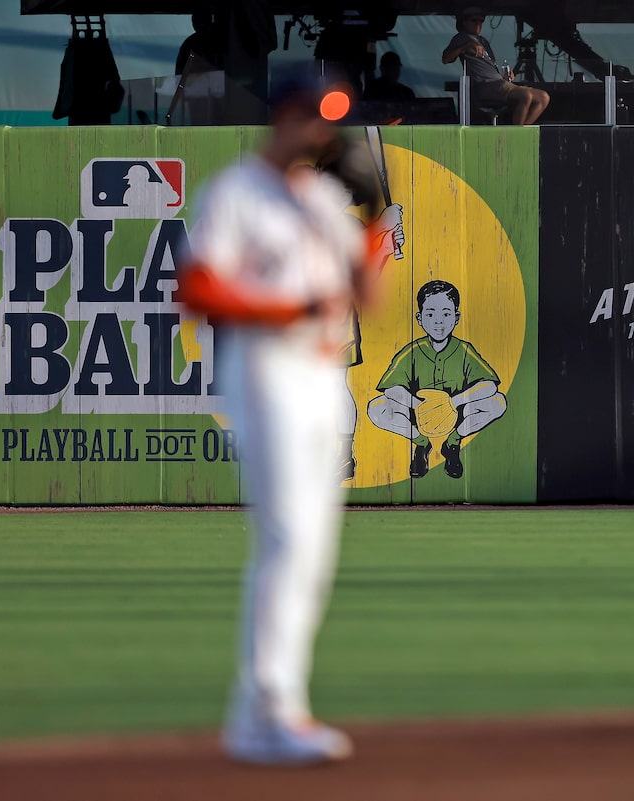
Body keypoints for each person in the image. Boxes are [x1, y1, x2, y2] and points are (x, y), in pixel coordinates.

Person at [175, 70, 404, 765]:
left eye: (330, 117)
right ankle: (274, 708)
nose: (321, 128)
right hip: (265, 368)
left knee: (314, 548)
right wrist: (289, 310)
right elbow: (197, 287)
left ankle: (265, 713)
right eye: (311, 114)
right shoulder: (238, 192)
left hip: (320, 372)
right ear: (282, 117)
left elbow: (365, 297)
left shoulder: (323, 200)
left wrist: (369, 225)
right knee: (286, 537)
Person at [367, 280, 506, 480]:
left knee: (498, 402)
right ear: (420, 318)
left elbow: (489, 385)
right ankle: (422, 444)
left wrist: (453, 402)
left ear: (456, 318)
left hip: (457, 414)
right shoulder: (413, 351)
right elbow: (391, 388)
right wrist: (417, 405)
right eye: (430, 314)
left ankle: (452, 444)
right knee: (376, 407)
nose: (438, 321)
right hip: (419, 415)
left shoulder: (463, 350)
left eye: (446, 314)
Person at [441, 7, 550, 125]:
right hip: (485, 85)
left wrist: (504, 75)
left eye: (481, 21)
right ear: (464, 22)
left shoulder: (483, 41)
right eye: (474, 20)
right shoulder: (461, 38)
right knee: (525, 96)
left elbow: (490, 65)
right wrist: (466, 45)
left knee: (543, 97)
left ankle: (521, 131)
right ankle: (517, 133)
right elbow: (446, 59)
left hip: (498, 83)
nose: (478, 24)